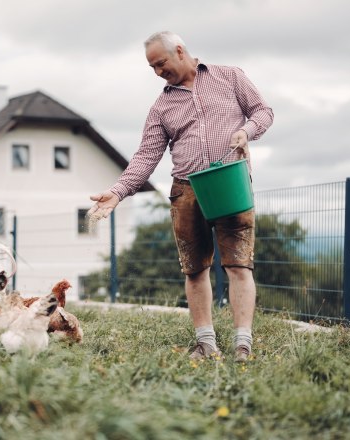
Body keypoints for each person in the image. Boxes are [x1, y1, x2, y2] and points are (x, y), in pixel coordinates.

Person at [88, 31, 273, 362]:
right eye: (152, 68)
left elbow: (263, 111)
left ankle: (242, 344)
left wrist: (246, 131)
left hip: (231, 184)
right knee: (194, 269)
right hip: (186, 190)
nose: (158, 72)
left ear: (179, 51)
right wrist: (118, 192)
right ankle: (206, 342)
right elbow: (146, 156)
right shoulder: (161, 107)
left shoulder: (230, 77)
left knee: (239, 264)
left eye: (160, 63)